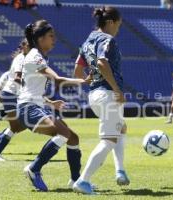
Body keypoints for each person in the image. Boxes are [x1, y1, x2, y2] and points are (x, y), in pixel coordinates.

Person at [18, 20, 88, 192]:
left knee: (73, 138)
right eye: (51, 36)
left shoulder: (39, 56)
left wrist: (50, 102)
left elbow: (31, 87)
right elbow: (57, 80)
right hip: (28, 108)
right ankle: (34, 168)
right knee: (63, 132)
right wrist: (84, 81)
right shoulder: (35, 56)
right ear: (40, 39)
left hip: (35, 105)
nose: (54, 39)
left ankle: (75, 180)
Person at [72, 7, 129, 195]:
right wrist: (116, 89)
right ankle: (83, 180)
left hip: (94, 94)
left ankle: (120, 171)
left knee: (120, 128)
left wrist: (90, 78)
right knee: (109, 140)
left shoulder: (88, 40)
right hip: (107, 94)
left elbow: (77, 71)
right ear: (111, 22)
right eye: (118, 26)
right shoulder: (107, 39)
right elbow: (103, 63)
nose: (118, 30)